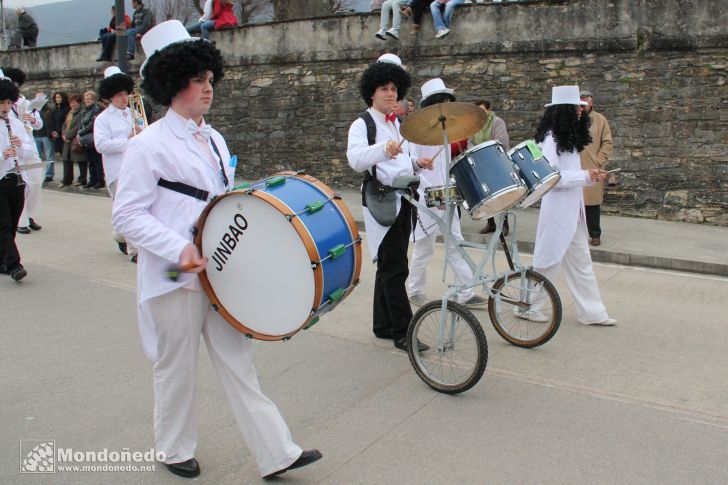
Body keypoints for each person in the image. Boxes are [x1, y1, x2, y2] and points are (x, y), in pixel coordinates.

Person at [111, 20, 321, 479]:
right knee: (176, 368)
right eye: (197, 80)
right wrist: (179, 250)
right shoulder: (146, 146)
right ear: (172, 83)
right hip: (173, 275)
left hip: (219, 272)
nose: (208, 89)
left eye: (210, 80)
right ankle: (173, 448)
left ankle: (276, 452)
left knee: (238, 363)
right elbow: (125, 217)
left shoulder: (215, 137)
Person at [346, 53, 433, 351]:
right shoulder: (363, 124)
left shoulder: (394, 124)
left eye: (394, 88)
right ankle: (403, 332)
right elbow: (356, 159)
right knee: (395, 267)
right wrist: (385, 148)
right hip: (382, 200)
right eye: (384, 88)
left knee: (389, 265)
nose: (390, 93)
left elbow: (399, 160)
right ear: (372, 92)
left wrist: (417, 163)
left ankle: (382, 325)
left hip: (402, 198)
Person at [528, 85, 616, 326]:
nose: (581, 110)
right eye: (576, 107)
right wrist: (587, 177)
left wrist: (588, 174)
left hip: (572, 211)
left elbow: (569, 174)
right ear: (565, 110)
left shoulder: (568, 137)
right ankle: (529, 305)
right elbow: (551, 178)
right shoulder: (550, 139)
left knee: (581, 262)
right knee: (548, 260)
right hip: (558, 211)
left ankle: (593, 313)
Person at [407, 79, 486, 308]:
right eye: (442, 102)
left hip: (446, 197)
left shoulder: (445, 134)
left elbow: (445, 167)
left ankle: (466, 292)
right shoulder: (418, 134)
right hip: (427, 200)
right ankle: (415, 289)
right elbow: (414, 169)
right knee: (424, 247)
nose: (446, 107)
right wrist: (433, 196)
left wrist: (449, 190)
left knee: (456, 244)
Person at [94, 66, 138, 261]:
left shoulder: (134, 114)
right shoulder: (103, 119)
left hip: (137, 167)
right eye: (120, 95)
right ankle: (135, 250)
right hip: (117, 170)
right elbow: (101, 145)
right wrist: (127, 140)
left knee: (135, 207)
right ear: (110, 97)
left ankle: (120, 234)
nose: (124, 98)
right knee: (127, 208)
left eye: (126, 94)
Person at [0, 69, 35, 281]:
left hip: (17, 178)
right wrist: (2, 154)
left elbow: (30, 150)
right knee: (3, 223)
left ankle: (3, 259)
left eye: (8, 103)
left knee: (12, 222)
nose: (5, 108)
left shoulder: (15, 124)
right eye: (2, 103)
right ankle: (14, 265)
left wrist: (20, 147)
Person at [3, 68, 44, 234]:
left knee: (35, 183)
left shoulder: (26, 103)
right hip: (12, 151)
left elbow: (39, 124)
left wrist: (32, 119)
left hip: (29, 146)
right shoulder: (5, 103)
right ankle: (22, 220)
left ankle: (30, 215)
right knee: (20, 185)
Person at [579, 89, 613, 247]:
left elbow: (607, 142)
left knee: (592, 204)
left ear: (591, 101)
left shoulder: (600, 120)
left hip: (592, 166)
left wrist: (598, 161)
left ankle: (595, 234)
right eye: (580, 99)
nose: (583, 102)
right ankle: (576, 235)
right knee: (575, 203)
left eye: (585, 99)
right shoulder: (574, 119)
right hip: (575, 168)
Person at [473, 99, 511, 236]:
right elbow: (470, 143)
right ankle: (491, 223)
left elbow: (501, 141)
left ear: (489, 110)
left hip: (497, 162)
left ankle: (504, 224)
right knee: (486, 194)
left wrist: (484, 152)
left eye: (482, 111)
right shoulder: (474, 125)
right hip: (480, 163)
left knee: (501, 195)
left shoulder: (497, 122)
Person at [78, 91, 104, 189]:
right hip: (86, 138)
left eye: (89, 99)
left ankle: (99, 180)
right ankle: (92, 179)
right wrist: (79, 133)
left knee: (97, 160)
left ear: (93, 99)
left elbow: (92, 124)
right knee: (90, 161)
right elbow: (81, 123)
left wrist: (80, 133)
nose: (87, 101)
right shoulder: (85, 110)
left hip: (93, 137)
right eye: (86, 99)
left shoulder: (96, 109)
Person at [60, 94, 86, 188]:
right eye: (71, 103)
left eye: (74, 103)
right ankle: (66, 179)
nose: (72, 105)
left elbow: (78, 126)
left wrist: (68, 135)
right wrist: (63, 134)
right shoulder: (70, 112)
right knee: (66, 160)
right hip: (67, 139)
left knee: (80, 160)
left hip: (75, 139)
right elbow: (64, 125)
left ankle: (82, 179)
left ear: (79, 103)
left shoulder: (81, 112)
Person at [49, 92, 69, 177]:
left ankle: (67, 177)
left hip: (63, 135)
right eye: (56, 97)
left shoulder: (67, 109)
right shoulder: (55, 109)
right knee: (62, 156)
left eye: (59, 97)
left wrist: (58, 132)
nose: (57, 99)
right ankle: (65, 177)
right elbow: (52, 121)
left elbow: (65, 123)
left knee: (66, 157)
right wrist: (53, 131)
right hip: (57, 136)